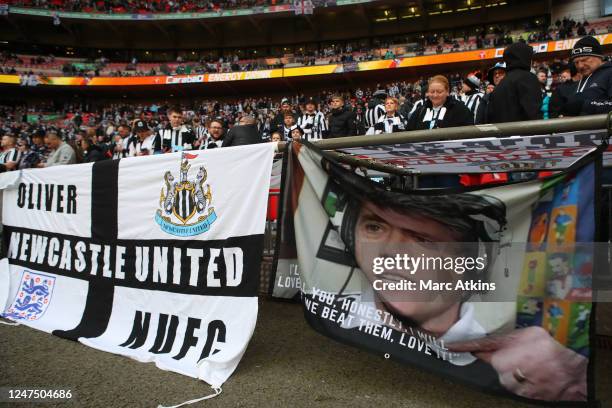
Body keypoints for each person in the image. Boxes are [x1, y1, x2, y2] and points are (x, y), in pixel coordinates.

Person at [333, 182, 587, 401]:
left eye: (423, 239)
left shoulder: (516, 356)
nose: (390, 251)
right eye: (375, 228)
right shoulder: (332, 312)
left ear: (472, 262)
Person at [486, 42, 542, 123]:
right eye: (529, 57)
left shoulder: (501, 84)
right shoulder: (528, 78)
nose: (531, 61)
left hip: (503, 133)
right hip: (524, 133)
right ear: (523, 57)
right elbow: (533, 112)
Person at [563, 36, 612, 116]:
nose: (580, 66)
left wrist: (585, 104)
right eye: (576, 62)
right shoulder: (584, 78)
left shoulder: (609, 73)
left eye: (584, 60)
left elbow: (581, 104)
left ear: (599, 57)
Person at [407, 75, 473, 131]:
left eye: (439, 92)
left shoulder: (460, 110)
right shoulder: (419, 112)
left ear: (447, 92)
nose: (435, 95)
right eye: (432, 92)